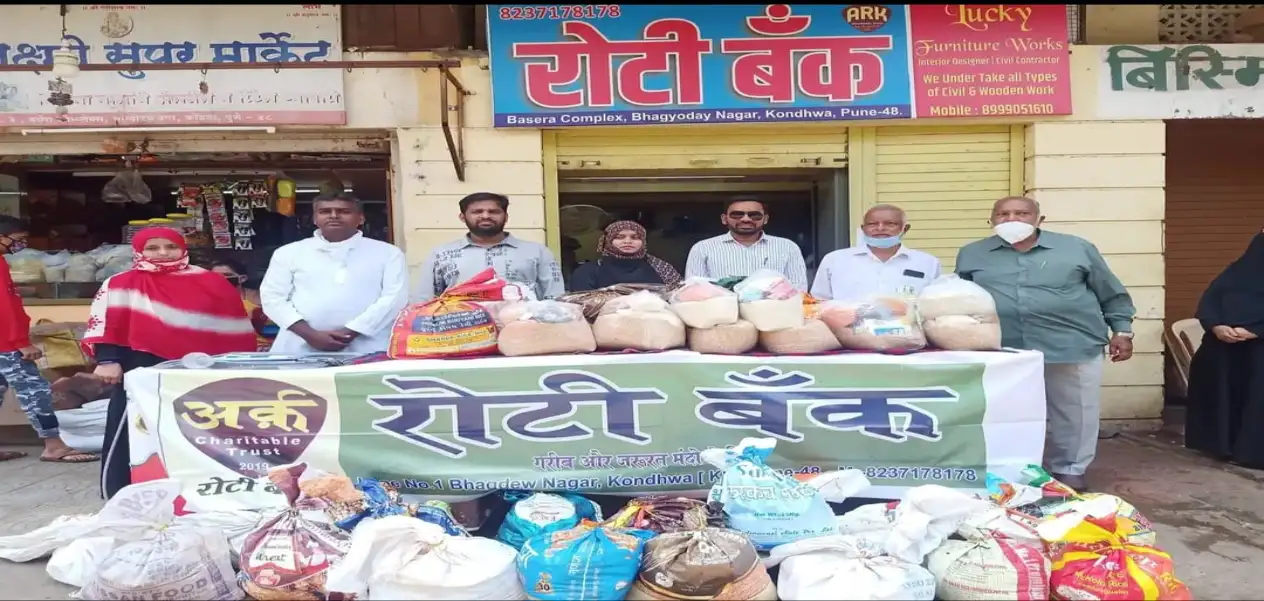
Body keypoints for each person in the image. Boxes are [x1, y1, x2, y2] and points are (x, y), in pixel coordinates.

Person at [955, 196, 1135, 491]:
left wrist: (1122, 331)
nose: (1012, 219)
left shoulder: (1076, 248)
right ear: (991, 220)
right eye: (1003, 214)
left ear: (1040, 219)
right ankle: (1013, 468)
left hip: (1071, 343)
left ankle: (1070, 468)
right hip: (1003, 350)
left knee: (1074, 411)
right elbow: (961, 297)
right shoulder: (973, 254)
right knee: (1005, 412)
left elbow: (1111, 293)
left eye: (1022, 213)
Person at [82, 226, 257, 498]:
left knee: (200, 429)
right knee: (132, 427)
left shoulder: (211, 282)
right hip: (138, 368)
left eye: (170, 247)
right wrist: (108, 360)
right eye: (152, 248)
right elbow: (108, 323)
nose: (163, 253)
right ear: (138, 251)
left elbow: (230, 327)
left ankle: (207, 491)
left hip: (199, 370)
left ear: (183, 249)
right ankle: (122, 491)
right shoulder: (120, 283)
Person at [0, 216, 100, 464]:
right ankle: (54, 446)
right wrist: (20, 342)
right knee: (37, 394)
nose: (20, 245)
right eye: (19, 239)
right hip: (7, 345)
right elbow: (3, 309)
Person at [261, 193, 409, 354]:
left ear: (361, 218)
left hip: (368, 346)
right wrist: (310, 335)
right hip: (299, 346)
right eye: (325, 211)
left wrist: (351, 332)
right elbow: (272, 297)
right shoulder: (288, 253)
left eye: (344, 211)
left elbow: (395, 298)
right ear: (315, 219)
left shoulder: (388, 253)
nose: (334, 216)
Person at [1184, 230, 1264, 469]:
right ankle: (1223, 447)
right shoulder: (1234, 273)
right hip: (1223, 351)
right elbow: (1208, 301)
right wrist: (1217, 326)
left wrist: (1257, 331)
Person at [415, 192, 565, 301]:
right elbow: (424, 300)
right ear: (462, 217)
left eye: (493, 211)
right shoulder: (441, 254)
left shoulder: (537, 252)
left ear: (505, 217)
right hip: (460, 334)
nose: (486, 216)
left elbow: (555, 297)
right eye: (477, 212)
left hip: (523, 333)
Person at [811, 204, 941, 301]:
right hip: (847, 334)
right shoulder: (835, 260)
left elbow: (935, 303)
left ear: (904, 228)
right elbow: (819, 302)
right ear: (863, 229)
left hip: (909, 334)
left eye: (889, 224)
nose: (880, 228)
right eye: (872, 224)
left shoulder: (927, 262)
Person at [685, 197, 808, 290]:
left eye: (754, 215)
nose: (746, 219)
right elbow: (694, 290)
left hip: (774, 318)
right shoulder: (703, 248)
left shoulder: (787, 247)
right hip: (722, 318)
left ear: (765, 219)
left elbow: (799, 290)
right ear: (724, 218)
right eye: (737, 214)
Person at [569, 220, 683, 291]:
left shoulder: (662, 268)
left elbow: (679, 297)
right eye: (619, 237)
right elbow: (582, 304)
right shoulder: (587, 271)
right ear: (607, 241)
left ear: (643, 241)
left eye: (635, 237)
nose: (627, 241)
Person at [210, 259, 277, 351]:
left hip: (265, 351)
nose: (220, 279)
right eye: (215, 276)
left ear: (242, 278)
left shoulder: (259, 298)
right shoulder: (208, 300)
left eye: (227, 275)